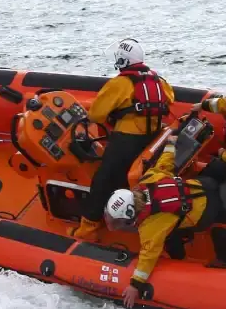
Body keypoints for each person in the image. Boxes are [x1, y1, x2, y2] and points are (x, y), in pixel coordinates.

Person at [71, 38, 175, 241]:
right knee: (131, 180)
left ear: (122, 60)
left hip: (126, 142)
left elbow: (96, 115)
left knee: (102, 181)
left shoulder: (120, 83)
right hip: (152, 141)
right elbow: (169, 99)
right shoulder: (159, 81)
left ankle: (88, 230)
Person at [105, 134, 218, 307]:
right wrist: (170, 144)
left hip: (207, 211)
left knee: (170, 238)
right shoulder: (149, 179)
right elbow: (164, 164)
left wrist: (135, 285)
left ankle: (180, 259)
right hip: (204, 186)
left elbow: (148, 255)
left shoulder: (150, 227)